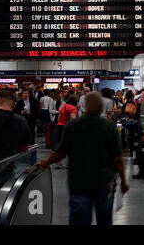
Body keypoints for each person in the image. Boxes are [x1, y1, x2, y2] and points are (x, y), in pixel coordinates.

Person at [37, 91, 130, 225]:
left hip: (79, 182)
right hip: (104, 181)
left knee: (79, 220)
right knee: (104, 219)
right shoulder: (109, 127)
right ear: (100, 107)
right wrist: (123, 181)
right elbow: (117, 158)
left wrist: (44, 162)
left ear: (84, 106)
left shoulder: (73, 126)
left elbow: (60, 153)